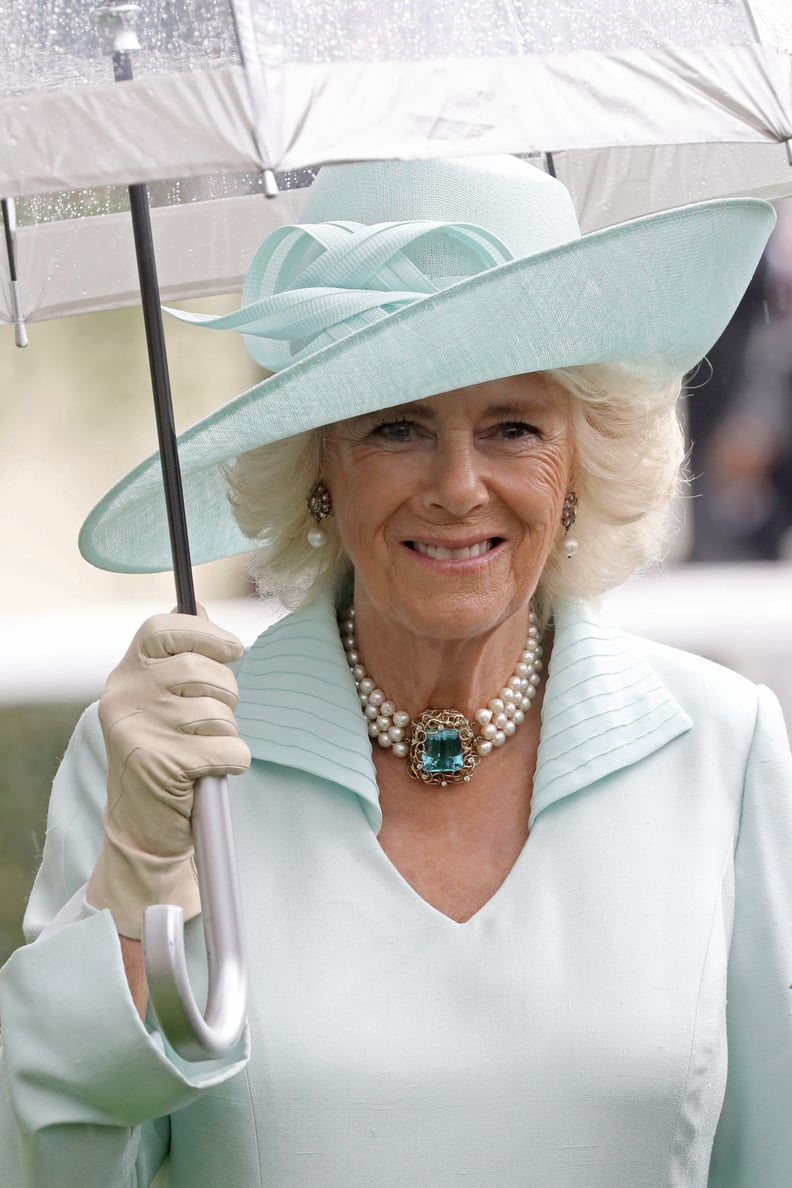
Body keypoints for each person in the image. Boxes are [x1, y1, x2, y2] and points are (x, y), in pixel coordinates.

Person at [1, 156, 790, 1188]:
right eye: (397, 427)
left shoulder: (724, 753)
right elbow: (53, 1168)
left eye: (512, 426)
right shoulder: (168, 760)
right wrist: (132, 886)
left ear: (584, 464)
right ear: (319, 466)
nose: (459, 488)